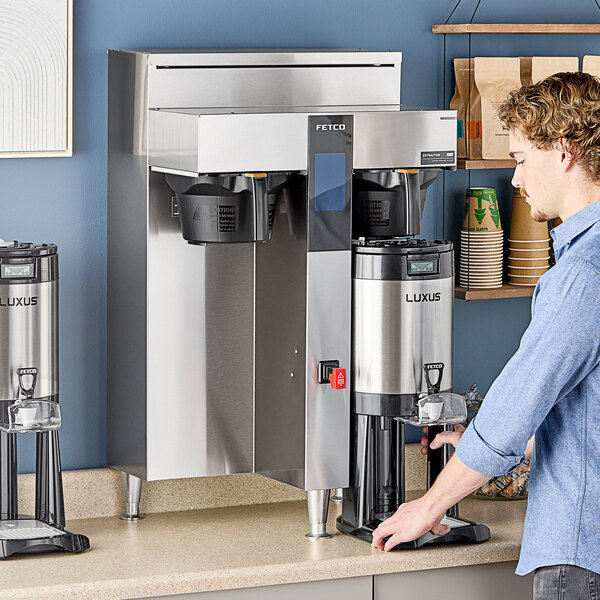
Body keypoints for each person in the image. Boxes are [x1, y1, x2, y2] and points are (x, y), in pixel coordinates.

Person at [371, 71, 600, 600]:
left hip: (581, 555)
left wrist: (426, 508)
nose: (515, 180)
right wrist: (510, 447)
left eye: (520, 160)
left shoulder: (581, 276)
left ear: (564, 150)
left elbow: (512, 408)